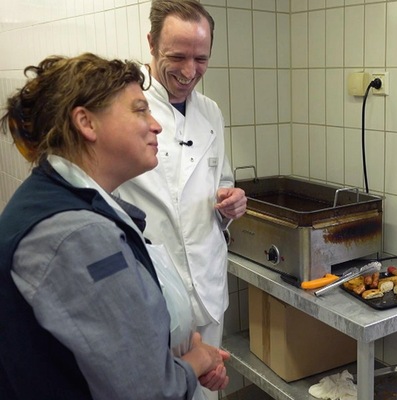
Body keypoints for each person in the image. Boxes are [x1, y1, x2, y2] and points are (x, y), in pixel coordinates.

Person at [0, 53, 229, 399]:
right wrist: (194, 361)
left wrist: (180, 347)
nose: (156, 125)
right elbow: (148, 391)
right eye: (140, 110)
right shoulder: (78, 235)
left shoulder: (63, 197)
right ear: (86, 123)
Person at [115, 3, 246, 399]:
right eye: (177, 57)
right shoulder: (124, 110)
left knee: (207, 392)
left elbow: (222, 181)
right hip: (151, 291)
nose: (189, 71)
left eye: (201, 58)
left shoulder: (211, 113)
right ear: (151, 42)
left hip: (206, 283)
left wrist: (231, 202)